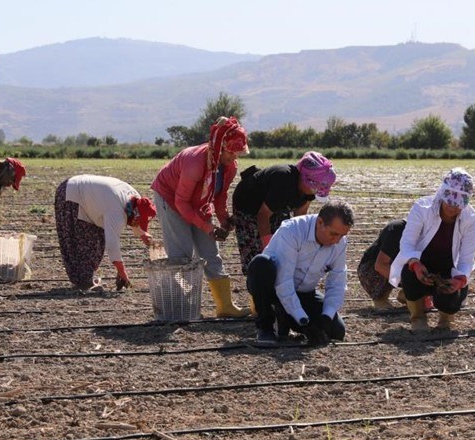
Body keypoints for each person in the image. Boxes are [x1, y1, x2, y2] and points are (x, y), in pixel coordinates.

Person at [151, 116, 250, 318]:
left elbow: (219, 197)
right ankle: (180, 308)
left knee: (211, 252)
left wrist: (224, 220)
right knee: (182, 254)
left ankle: (225, 307)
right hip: (171, 199)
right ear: (219, 148)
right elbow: (182, 203)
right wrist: (207, 228)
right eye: (231, 152)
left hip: (198, 202)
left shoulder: (230, 167)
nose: (235, 157)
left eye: (238, 153)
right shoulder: (194, 163)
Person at [232, 151, 336, 312]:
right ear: (306, 180)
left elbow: (299, 219)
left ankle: (277, 301)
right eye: (316, 188)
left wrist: (301, 247)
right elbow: (263, 215)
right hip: (249, 207)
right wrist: (268, 249)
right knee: (257, 257)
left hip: (275, 208)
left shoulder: (308, 190)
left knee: (285, 250)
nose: (317, 192)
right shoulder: (284, 181)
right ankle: (259, 305)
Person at [247, 201, 354, 345]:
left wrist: (326, 317)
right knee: (261, 264)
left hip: (304, 292)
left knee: (336, 332)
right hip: (275, 289)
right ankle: (266, 326)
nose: (337, 241)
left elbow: (338, 281)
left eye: (342, 235)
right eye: (333, 234)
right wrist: (303, 321)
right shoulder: (292, 231)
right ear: (320, 222)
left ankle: (285, 317)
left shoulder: (340, 242)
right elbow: (283, 281)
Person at [388, 168, 475, 331]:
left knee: (451, 299)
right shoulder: (422, 208)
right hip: (423, 265)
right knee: (409, 275)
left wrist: (459, 280)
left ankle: (446, 319)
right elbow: (407, 244)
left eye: (458, 205)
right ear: (442, 195)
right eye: (449, 203)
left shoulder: (471, 220)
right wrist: (415, 264)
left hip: (448, 269)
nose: (452, 209)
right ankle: (417, 317)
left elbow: (466, 259)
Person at [55, 174, 157, 291]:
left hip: (86, 192)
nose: (138, 224)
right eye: (139, 221)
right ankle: (82, 282)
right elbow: (112, 244)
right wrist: (122, 272)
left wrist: (142, 234)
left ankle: (85, 280)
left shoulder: (136, 200)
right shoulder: (116, 212)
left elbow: (134, 219)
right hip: (71, 194)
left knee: (96, 242)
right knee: (84, 242)